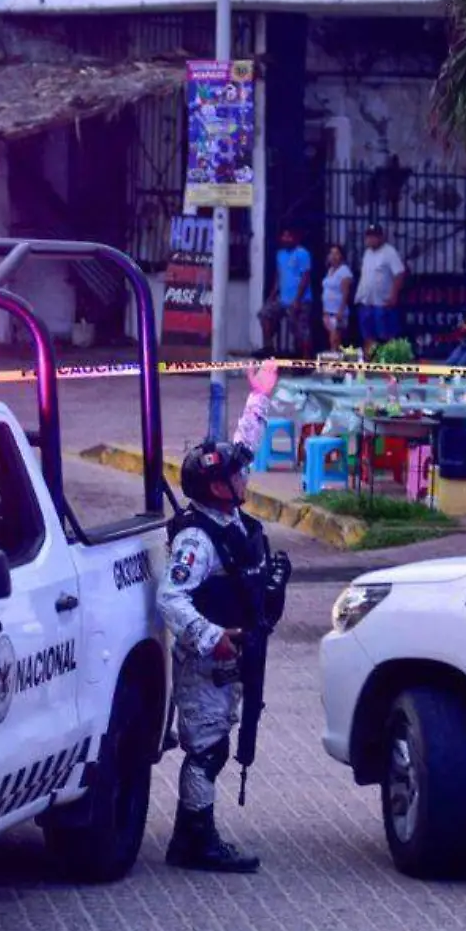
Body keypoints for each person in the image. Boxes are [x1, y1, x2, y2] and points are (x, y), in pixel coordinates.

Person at [158, 359, 290, 874]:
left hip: (236, 659)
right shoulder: (197, 540)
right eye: (235, 474)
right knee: (207, 750)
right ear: (217, 487)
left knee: (220, 739)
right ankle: (196, 842)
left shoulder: (230, 515)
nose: (244, 474)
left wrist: (258, 397)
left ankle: (188, 837)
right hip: (206, 662)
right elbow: (172, 598)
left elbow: (244, 445)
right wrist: (211, 636)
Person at [258, 228, 313, 359]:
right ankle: (269, 348)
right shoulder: (280, 254)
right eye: (284, 236)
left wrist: (297, 300)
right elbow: (279, 277)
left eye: (289, 236)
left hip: (301, 300)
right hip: (283, 300)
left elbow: (305, 277)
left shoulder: (303, 253)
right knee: (264, 314)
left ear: (295, 238)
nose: (286, 239)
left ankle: (305, 360)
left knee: (300, 330)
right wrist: (272, 296)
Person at [354, 224, 406, 359]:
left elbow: (399, 274)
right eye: (369, 237)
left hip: (382, 302)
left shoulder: (389, 252)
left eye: (374, 237)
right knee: (367, 335)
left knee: (386, 335)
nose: (370, 240)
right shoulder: (367, 253)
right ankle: (370, 364)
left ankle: (389, 364)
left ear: (381, 237)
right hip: (366, 301)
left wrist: (394, 295)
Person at [320, 243, 355, 352]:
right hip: (328, 311)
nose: (333, 256)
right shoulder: (330, 271)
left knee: (335, 338)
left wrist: (340, 311)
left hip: (338, 312)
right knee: (332, 338)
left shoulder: (344, 271)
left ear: (342, 256)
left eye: (337, 253)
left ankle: (336, 361)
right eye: (331, 253)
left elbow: (346, 293)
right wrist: (324, 311)